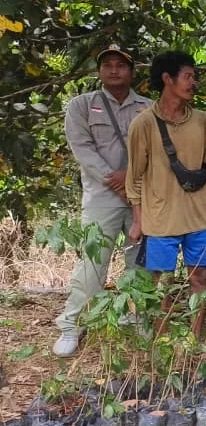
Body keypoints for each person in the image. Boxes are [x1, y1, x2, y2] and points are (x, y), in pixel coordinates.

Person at [53, 44, 151, 356]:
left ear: (131, 71)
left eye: (120, 65)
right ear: (99, 71)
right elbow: (82, 148)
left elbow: (156, 152)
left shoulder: (149, 107)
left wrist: (131, 180)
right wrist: (115, 178)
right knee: (92, 263)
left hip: (141, 195)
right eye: (107, 65)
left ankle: (133, 315)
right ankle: (72, 325)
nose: (113, 70)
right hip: (101, 196)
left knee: (141, 260)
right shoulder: (82, 105)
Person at [125, 50, 206, 296]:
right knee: (159, 284)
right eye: (188, 77)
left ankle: (196, 335)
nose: (193, 83)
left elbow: (203, 166)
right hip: (160, 218)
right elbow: (134, 175)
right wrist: (138, 220)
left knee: (200, 277)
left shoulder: (202, 121)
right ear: (168, 79)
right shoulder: (143, 124)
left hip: (198, 216)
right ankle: (161, 336)